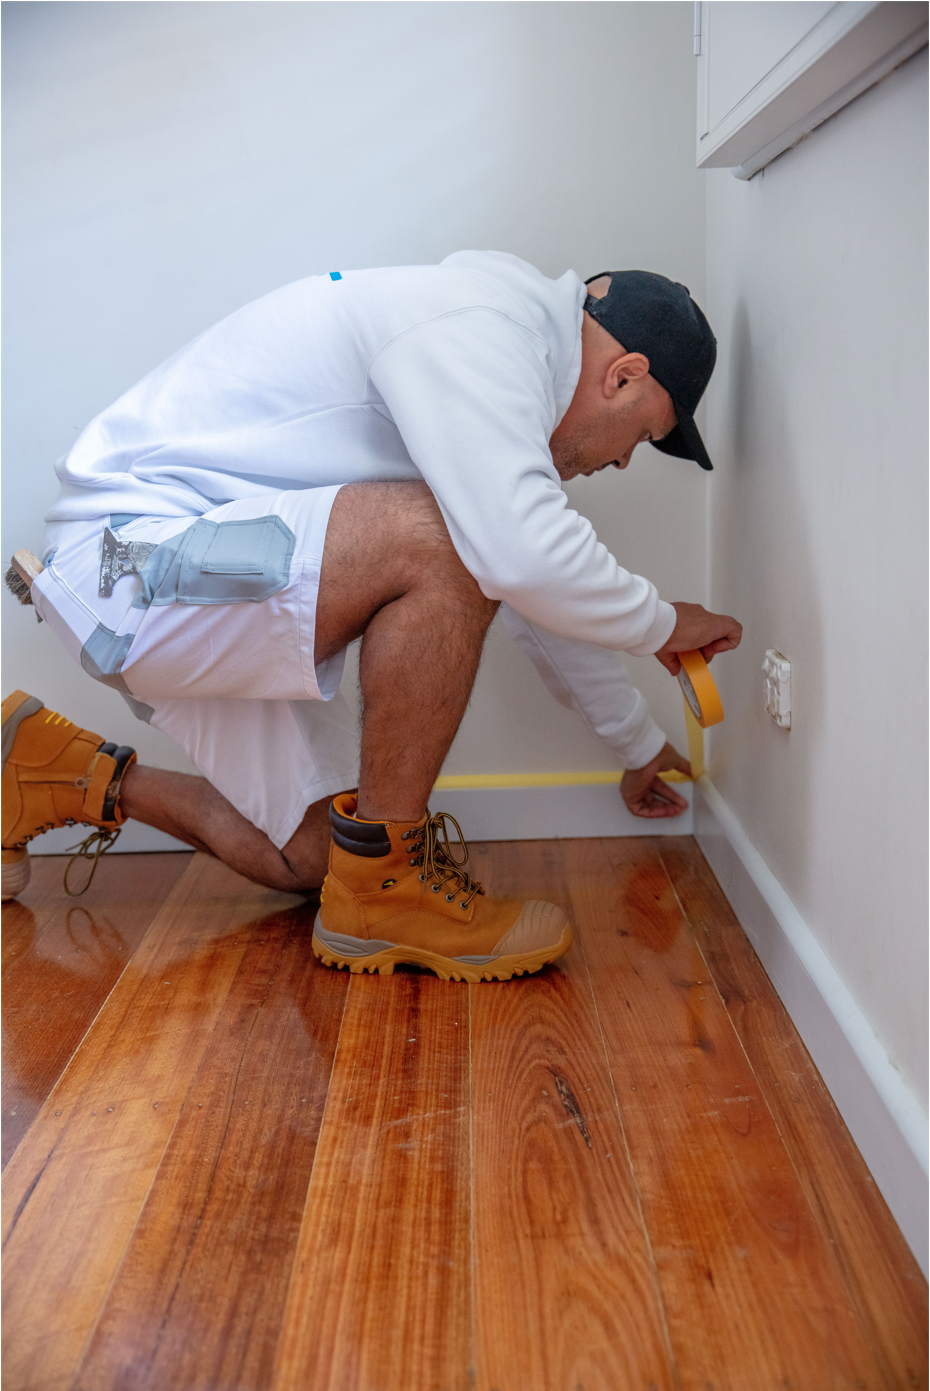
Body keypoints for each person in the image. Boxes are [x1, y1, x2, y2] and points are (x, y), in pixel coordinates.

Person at [1, 252, 741, 981]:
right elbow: (519, 556)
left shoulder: (492, 364)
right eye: (641, 437)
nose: (621, 464)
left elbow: (524, 575)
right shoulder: (483, 329)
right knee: (450, 541)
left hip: (184, 577)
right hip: (126, 562)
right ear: (624, 375)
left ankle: (52, 769)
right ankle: (388, 894)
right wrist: (665, 624)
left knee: (320, 857)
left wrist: (635, 741)